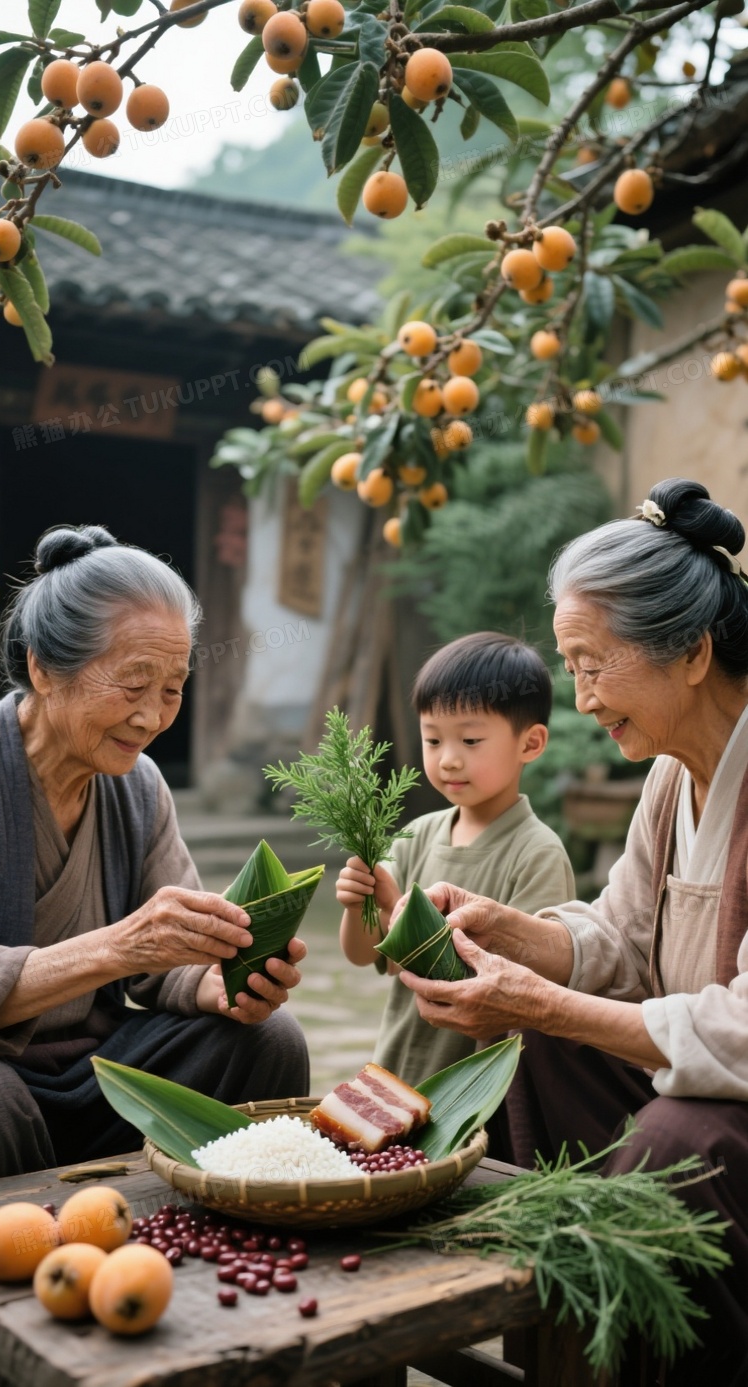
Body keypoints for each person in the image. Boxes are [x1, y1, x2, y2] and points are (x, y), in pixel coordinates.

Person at [394, 478, 748, 1387]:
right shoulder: (675, 776)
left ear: (694, 652)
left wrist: (548, 998)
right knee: (539, 1036)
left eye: (593, 663)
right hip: (710, 1079)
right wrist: (513, 936)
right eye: (573, 667)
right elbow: (622, 940)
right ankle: (558, 1338)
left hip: (728, 1100)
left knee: (674, 1136)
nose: (582, 698)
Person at [0, 524, 309, 1183]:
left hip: (97, 1069)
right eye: (133, 684)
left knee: (269, 1039)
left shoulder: (139, 786)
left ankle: (222, 1227)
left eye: (173, 688)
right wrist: (118, 947)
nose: (152, 717)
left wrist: (214, 983)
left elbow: (167, 965)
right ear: (44, 668)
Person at [336, 632, 575, 1087]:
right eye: (432, 740)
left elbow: (531, 981)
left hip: (482, 1080)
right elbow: (363, 953)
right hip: (402, 1063)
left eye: (469, 740)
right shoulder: (416, 836)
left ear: (530, 743)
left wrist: (399, 916)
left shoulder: (536, 853)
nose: (447, 760)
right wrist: (363, 907)